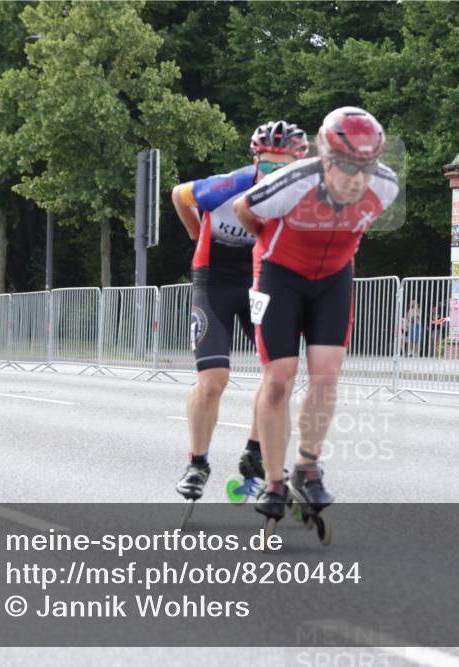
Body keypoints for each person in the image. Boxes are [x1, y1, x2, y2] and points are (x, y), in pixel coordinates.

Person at [233, 106, 399, 522]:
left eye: (366, 166)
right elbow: (243, 209)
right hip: (279, 275)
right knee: (278, 380)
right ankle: (273, 479)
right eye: (346, 166)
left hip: (333, 278)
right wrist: (270, 243)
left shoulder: (386, 186)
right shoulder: (292, 181)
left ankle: (308, 467)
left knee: (327, 374)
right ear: (326, 157)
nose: (357, 178)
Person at [170, 121, 309, 502]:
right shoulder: (229, 185)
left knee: (280, 374)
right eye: (266, 166)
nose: (272, 175)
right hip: (213, 281)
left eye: (282, 168)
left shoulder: (304, 198)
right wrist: (197, 234)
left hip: (260, 282)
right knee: (214, 380)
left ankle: (254, 449)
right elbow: (179, 195)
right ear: (254, 161)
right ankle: (197, 462)